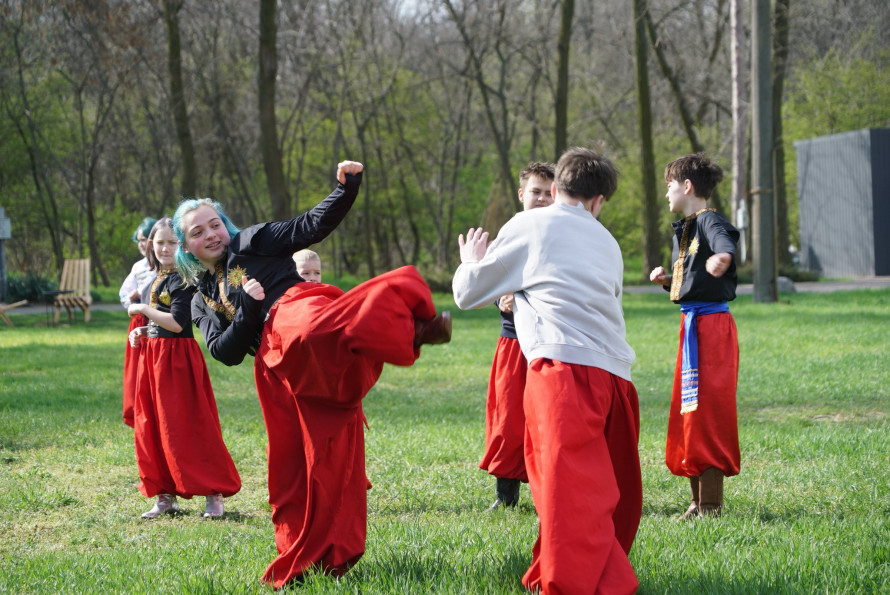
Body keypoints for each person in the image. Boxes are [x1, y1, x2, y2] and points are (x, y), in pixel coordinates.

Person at [172, 160, 451, 589]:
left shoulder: (252, 242)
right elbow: (224, 352)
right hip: (273, 369)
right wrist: (247, 310)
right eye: (198, 232)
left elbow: (308, 227)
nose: (211, 235)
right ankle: (305, 556)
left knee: (311, 332)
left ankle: (406, 327)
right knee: (296, 465)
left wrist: (345, 189)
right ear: (186, 247)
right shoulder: (199, 300)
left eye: (214, 224)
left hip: (296, 313)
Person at [453, 147, 641, 594]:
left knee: (566, 493)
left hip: (563, 373)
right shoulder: (608, 242)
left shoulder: (529, 224)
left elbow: (467, 294)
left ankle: (571, 582)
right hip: (617, 376)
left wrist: (470, 259)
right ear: (599, 201)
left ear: (556, 189)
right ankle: (559, 572)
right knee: (608, 494)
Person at [127, 218, 241, 519]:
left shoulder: (184, 279)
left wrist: (141, 309)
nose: (165, 248)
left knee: (188, 426)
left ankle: (213, 493)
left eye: (172, 242)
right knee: (152, 425)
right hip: (153, 358)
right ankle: (165, 495)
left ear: (183, 246)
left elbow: (178, 323)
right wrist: (143, 330)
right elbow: (160, 322)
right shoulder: (155, 278)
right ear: (151, 244)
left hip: (177, 361)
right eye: (159, 242)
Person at [648, 153, 740, 519]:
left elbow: (724, 240)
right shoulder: (687, 228)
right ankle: (697, 502)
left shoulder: (709, 220)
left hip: (712, 331)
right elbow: (695, 285)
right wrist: (668, 283)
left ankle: (711, 506)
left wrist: (724, 257)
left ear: (687, 187)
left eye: (669, 186)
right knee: (689, 409)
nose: (667, 194)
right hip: (692, 327)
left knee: (708, 412)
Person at [482, 161, 554, 511]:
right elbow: (485, 283)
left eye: (548, 193)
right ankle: (506, 495)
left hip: (549, 341)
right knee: (508, 418)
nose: (541, 199)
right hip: (513, 342)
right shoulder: (508, 235)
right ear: (522, 194)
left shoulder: (561, 234)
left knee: (548, 419)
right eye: (535, 192)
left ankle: (550, 491)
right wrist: (502, 294)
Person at [120, 217, 157, 428]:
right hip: (139, 321)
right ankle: (138, 409)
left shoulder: (163, 265)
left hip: (158, 319)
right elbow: (124, 293)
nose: (143, 244)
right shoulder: (138, 267)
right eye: (140, 240)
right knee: (137, 368)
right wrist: (132, 301)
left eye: (147, 239)